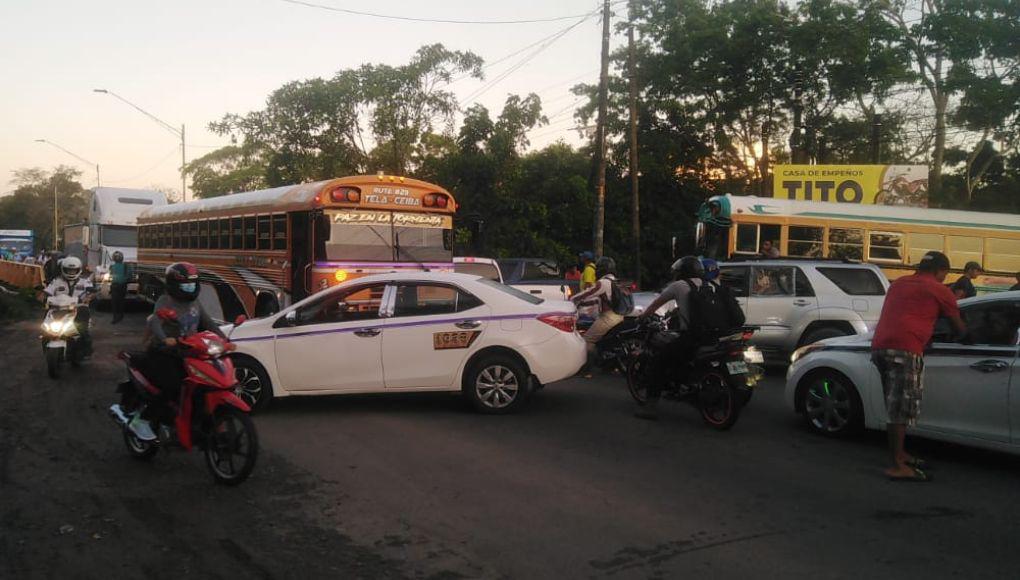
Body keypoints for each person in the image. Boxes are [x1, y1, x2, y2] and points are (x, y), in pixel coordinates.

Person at [871, 251, 965, 482]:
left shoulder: (900, 283)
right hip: (905, 349)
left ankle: (901, 454)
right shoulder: (940, 290)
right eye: (944, 274)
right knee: (901, 408)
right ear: (941, 271)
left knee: (893, 402)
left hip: (880, 347)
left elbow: (906, 312)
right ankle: (896, 466)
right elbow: (959, 328)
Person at [124, 263, 230, 441]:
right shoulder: (165, 301)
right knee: (172, 386)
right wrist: (165, 338)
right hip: (163, 352)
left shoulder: (195, 303)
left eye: (192, 285)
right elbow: (154, 322)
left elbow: (208, 323)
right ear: (173, 284)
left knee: (205, 383)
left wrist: (225, 340)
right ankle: (141, 421)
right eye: (185, 285)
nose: (189, 289)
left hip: (189, 353)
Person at [633, 256, 706, 420]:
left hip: (692, 336)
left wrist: (642, 318)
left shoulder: (679, 286)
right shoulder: (710, 284)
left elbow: (655, 305)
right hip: (714, 335)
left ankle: (650, 407)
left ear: (682, 272)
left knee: (658, 362)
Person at [571, 256, 624, 365]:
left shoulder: (603, 282)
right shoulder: (616, 281)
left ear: (601, 269)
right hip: (620, 316)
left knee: (587, 340)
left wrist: (571, 300)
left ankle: (587, 370)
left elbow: (585, 294)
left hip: (608, 317)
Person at [42, 256, 94, 357]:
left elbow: (91, 292)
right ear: (63, 269)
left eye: (73, 270)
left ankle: (84, 350)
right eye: (68, 270)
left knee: (82, 329)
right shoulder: (56, 281)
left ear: (79, 270)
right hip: (59, 309)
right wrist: (43, 297)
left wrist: (89, 296)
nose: (71, 273)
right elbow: (47, 292)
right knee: (46, 326)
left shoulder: (85, 282)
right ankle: (45, 341)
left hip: (78, 310)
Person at [109, 251, 131, 324]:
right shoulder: (126, 266)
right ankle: (120, 316)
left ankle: (115, 317)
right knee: (121, 301)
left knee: (114, 302)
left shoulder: (112, 267)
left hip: (115, 286)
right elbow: (129, 276)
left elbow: (110, 276)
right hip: (122, 286)